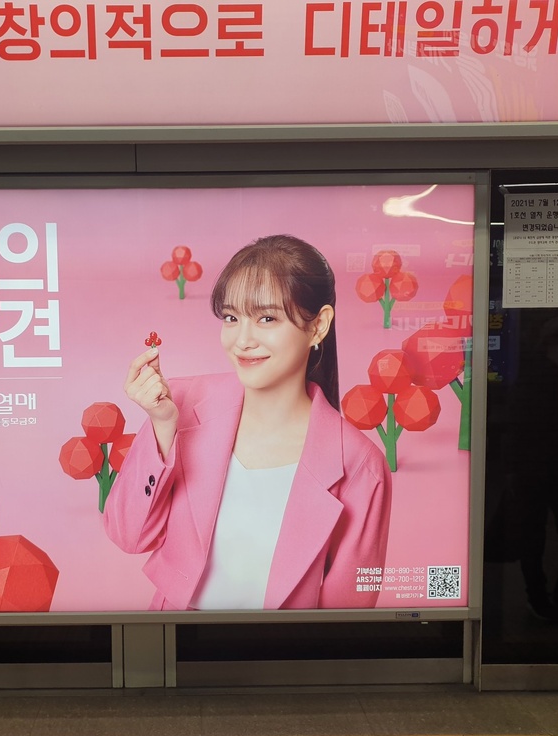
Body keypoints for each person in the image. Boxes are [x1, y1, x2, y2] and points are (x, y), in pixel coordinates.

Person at [103, 235, 392, 610]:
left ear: (318, 325)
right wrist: (162, 429)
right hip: (174, 637)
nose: (242, 341)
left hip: (281, 647)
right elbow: (129, 537)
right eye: (231, 318)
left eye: (266, 318)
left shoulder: (360, 465)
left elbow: (345, 614)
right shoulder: (178, 405)